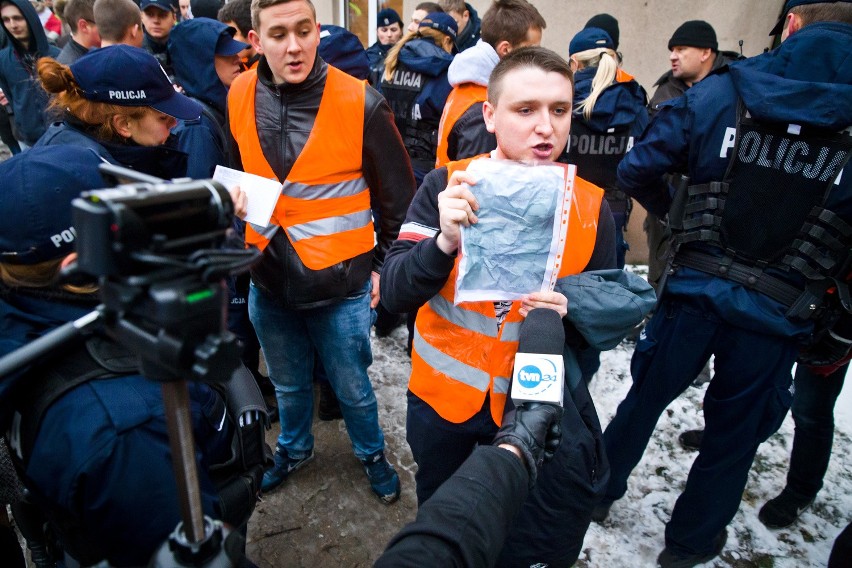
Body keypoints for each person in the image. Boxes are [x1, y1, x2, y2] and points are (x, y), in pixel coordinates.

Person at [595, 1, 852, 566]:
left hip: (696, 290)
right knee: (733, 441)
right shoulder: (728, 86)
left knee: (642, 402)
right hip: (777, 312)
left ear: (790, 25)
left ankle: (596, 491)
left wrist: (681, 221)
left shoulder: (724, 90)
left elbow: (637, 168)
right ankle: (688, 545)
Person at [381, 46, 654, 567]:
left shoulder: (592, 205)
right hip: (445, 410)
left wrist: (569, 309)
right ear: (490, 115)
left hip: (534, 417)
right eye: (525, 110)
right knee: (450, 526)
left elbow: (597, 333)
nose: (545, 128)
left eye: (559, 110)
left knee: (519, 541)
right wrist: (442, 243)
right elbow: (393, 293)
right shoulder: (447, 185)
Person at [0, 141, 265, 566]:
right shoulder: (129, 425)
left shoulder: (20, 315)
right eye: (131, 221)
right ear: (78, 263)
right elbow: (172, 540)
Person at [227, 0, 415, 503]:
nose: (294, 46)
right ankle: (293, 447)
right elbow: (241, 176)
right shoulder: (240, 92)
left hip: (342, 289)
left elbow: (400, 201)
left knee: (353, 391)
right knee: (288, 388)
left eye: (304, 31)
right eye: (280, 34)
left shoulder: (362, 102)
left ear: (317, 31)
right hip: (267, 281)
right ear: (256, 40)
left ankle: (371, 453)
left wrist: (384, 271)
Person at [376, 401, 562, 567]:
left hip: (513, 401)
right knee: (435, 491)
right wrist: (515, 450)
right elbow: (441, 550)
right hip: (439, 399)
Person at [34, 45, 195, 178]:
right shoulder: (86, 177)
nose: (174, 123)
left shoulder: (119, 156)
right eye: (163, 117)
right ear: (124, 125)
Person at [560, 26, 648, 270]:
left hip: (566, 213)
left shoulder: (561, 97)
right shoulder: (633, 98)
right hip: (613, 213)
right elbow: (645, 159)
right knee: (606, 295)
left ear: (574, 63)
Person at [435, 0, 545, 168]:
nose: (535, 57)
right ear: (505, 49)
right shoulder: (482, 110)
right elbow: (478, 182)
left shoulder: (469, 86)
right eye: (531, 49)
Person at [381, 11, 456, 184]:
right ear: (447, 40)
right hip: (425, 170)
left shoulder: (392, 62)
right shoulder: (446, 71)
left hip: (389, 165)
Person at [168, 17, 247, 179]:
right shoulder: (196, 127)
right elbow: (200, 197)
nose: (237, 59)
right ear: (201, 61)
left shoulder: (209, 107)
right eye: (226, 54)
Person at [0, 0, 59, 148]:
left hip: (60, 138)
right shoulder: (4, 60)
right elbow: (11, 97)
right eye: (6, 20)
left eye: (17, 18)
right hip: (28, 141)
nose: (12, 25)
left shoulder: (56, 56)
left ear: (29, 17)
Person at [365, 7, 402, 87]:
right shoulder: (368, 55)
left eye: (393, 30)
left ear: (401, 31)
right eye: (384, 30)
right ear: (377, 32)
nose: (389, 35)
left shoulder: (408, 53)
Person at [140, 0, 177, 79]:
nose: (156, 21)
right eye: (150, 15)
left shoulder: (185, 47)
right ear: (141, 17)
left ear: (174, 18)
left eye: (163, 15)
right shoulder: (134, 51)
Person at [217, 0, 258, 70]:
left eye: (233, 35)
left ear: (251, 35)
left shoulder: (266, 72)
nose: (228, 41)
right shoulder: (242, 65)